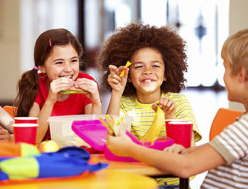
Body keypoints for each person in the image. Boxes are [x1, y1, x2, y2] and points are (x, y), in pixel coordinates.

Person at [107, 29, 248, 188]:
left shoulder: (245, 128)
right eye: (139, 66)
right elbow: (199, 152)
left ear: (241, 75)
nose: (147, 71)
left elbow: (186, 166)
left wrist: (129, 148)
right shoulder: (243, 124)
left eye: (225, 68)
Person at [99, 23, 201, 186]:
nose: (147, 71)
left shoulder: (179, 103)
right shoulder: (123, 104)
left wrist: (170, 117)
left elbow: (189, 150)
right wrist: (117, 92)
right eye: (139, 66)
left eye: (155, 65)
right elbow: (111, 139)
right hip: (137, 181)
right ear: (129, 76)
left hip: (172, 182)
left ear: (167, 73)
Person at [15, 28, 102, 143]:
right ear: (42, 67)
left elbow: (95, 136)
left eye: (73, 60)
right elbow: (35, 139)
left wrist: (96, 101)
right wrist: (50, 100)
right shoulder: (36, 86)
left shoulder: (87, 83)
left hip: (79, 148)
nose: (68, 69)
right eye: (59, 62)